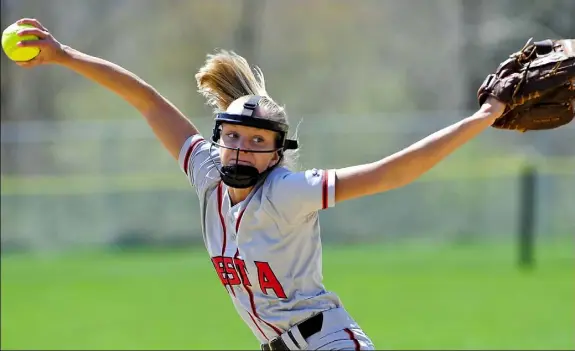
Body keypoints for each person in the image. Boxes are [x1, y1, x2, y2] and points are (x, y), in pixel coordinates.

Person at [12, 18, 506, 351]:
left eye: (257, 140)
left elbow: (393, 172)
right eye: (234, 137)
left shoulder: (289, 192)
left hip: (327, 342)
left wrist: (485, 116)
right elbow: (147, 102)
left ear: (277, 152)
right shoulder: (206, 174)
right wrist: (65, 56)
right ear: (218, 140)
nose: (242, 149)